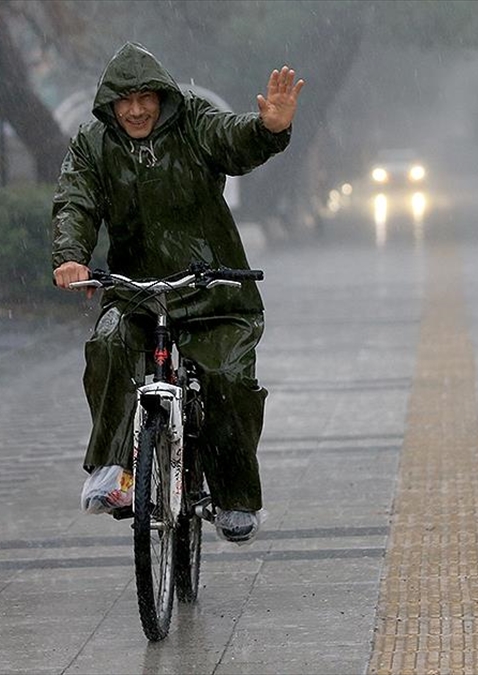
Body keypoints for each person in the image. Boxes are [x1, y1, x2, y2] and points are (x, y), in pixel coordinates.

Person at [51, 42, 304, 543]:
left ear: (163, 96)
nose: (137, 109)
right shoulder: (92, 143)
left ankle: (234, 498)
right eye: (125, 100)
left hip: (214, 291)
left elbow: (232, 138)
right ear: (110, 104)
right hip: (136, 293)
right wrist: (70, 255)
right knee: (108, 344)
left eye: (147, 97)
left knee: (227, 377)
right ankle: (113, 471)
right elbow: (74, 201)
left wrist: (267, 129)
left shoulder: (193, 121)